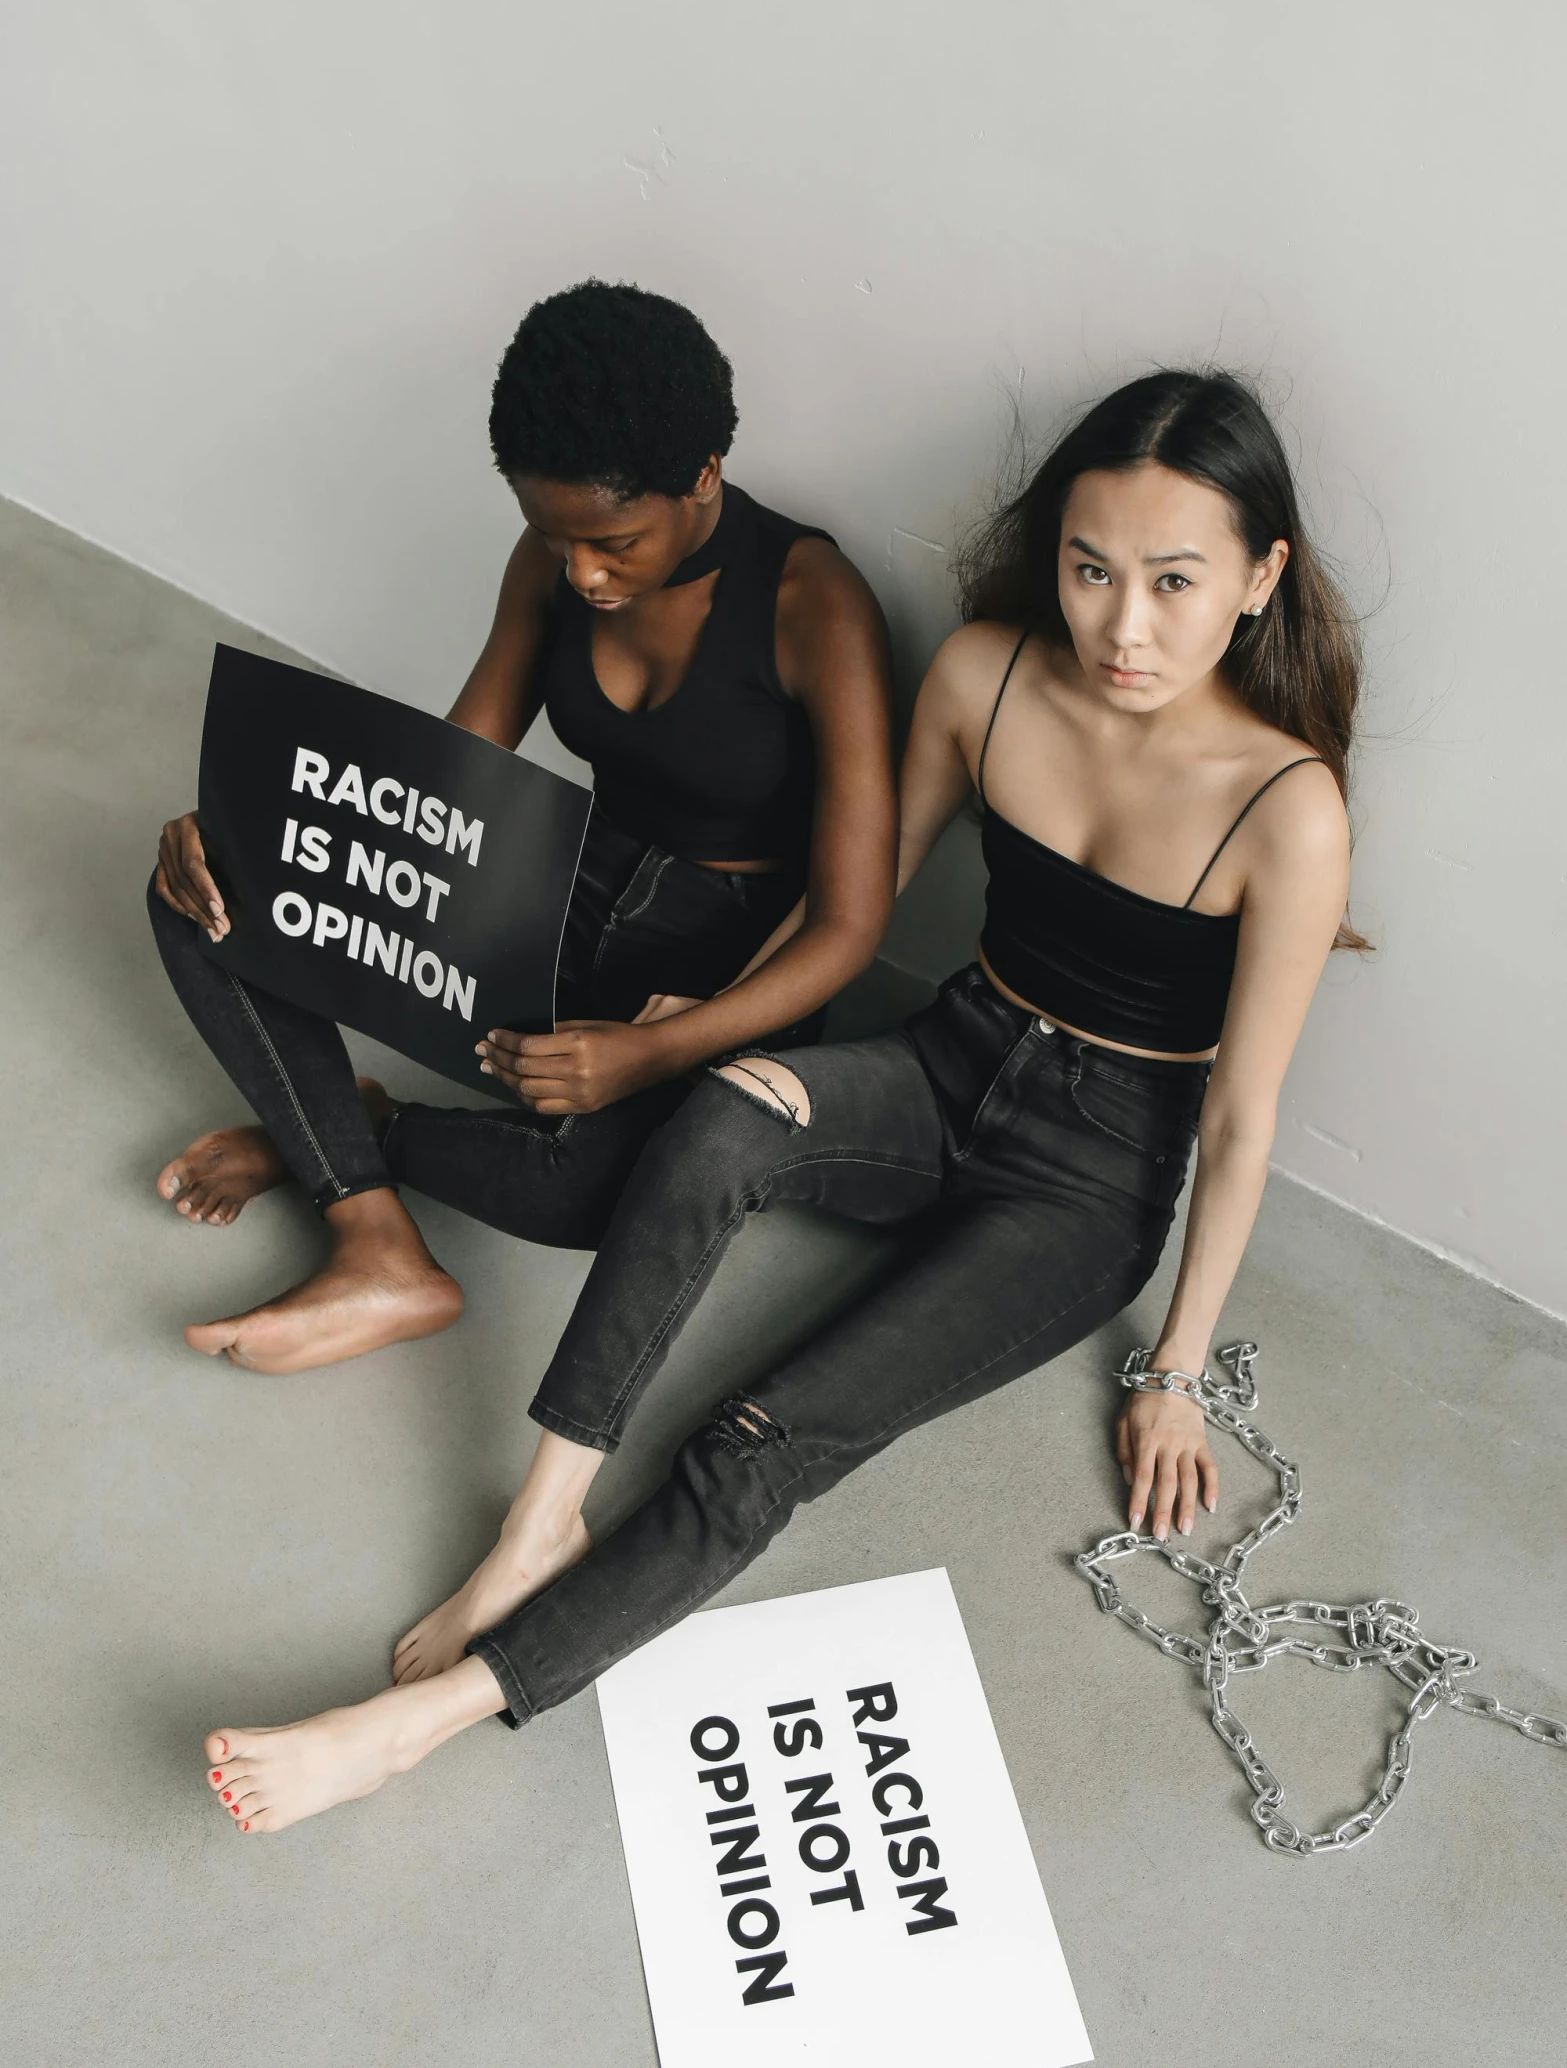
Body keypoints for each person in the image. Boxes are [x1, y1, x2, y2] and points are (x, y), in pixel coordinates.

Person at [198, 369, 1363, 1836]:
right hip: (943, 1058)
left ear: (1259, 577)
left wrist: (1175, 1367)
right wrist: (709, 1027)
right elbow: (846, 901)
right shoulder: (983, 675)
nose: (1121, 625)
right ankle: (540, 1514)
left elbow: (1241, 1117)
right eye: (1088, 568)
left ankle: (411, 1726)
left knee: (766, 1437)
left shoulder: (1286, 806)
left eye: (1174, 581)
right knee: (723, 1115)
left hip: (1087, 1176)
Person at [150, 280, 895, 1376]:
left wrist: (657, 1049)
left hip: (726, 961)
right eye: (554, 538)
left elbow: (847, 926)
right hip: (566, 879)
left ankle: (351, 1127)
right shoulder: (551, 568)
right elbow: (448, 782)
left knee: (595, 1192)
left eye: (615, 542)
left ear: (702, 477)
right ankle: (370, 1230)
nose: (584, 572)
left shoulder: (813, 604)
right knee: (200, 893)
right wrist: (247, 829)